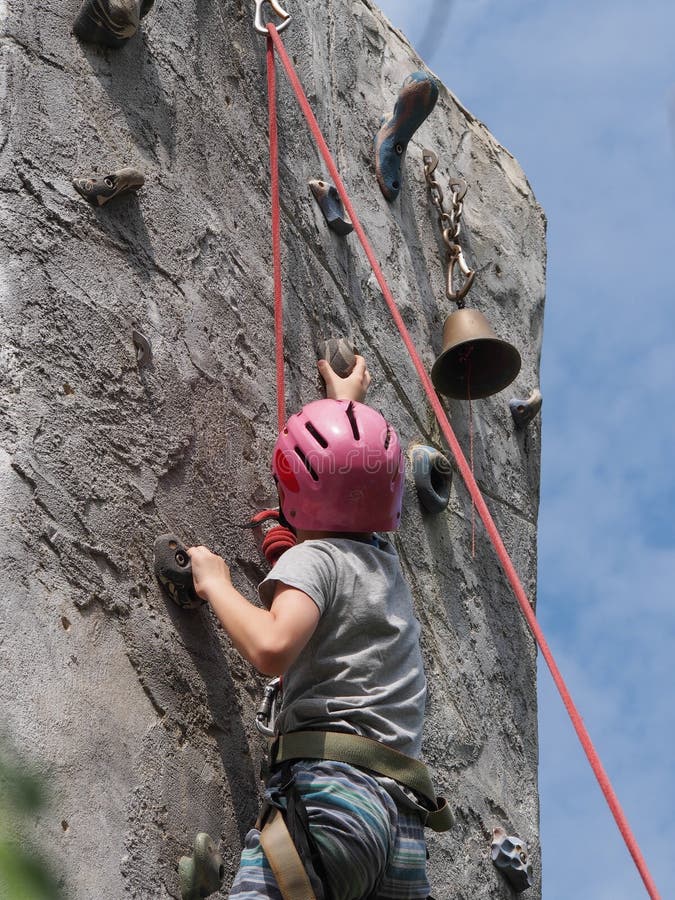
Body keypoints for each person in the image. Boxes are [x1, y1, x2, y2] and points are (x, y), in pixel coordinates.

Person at [187, 355, 434, 900]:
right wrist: (347, 402)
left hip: (334, 800)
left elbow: (273, 647)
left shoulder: (315, 560)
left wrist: (216, 582)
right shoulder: (383, 565)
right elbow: (353, 472)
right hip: (401, 828)